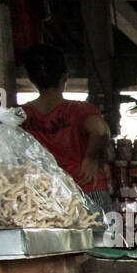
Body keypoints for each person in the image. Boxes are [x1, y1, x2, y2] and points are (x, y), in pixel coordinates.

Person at [19, 43, 114, 213]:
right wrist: (90, 158)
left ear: (32, 80)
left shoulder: (22, 115)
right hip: (87, 188)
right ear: (64, 78)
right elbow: (100, 130)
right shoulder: (80, 110)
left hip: (45, 195)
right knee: (100, 238)